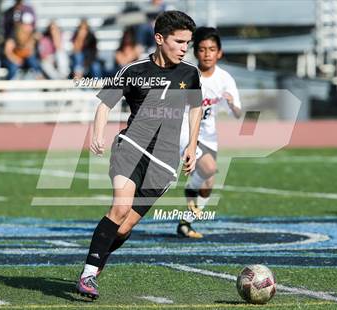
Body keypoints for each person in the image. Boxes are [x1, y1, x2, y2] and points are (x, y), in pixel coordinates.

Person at [76, 10, 202, 300]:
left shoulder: (190, 73)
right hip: (131, 147)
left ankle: (95, 268)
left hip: (165, 161)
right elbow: (105, 104)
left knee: (125, 226)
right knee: (120, 208)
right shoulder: (135, 71)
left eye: (188, 43)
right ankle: (88, 274)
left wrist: (192, 145)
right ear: (159, 39)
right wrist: (98, 134)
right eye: (179, 41)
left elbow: (196, 108)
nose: (185, 48)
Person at [177, 27, 242, 238]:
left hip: (209, 136)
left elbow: (238, 114)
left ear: (219, 53)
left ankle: (186, 223)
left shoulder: (225, 79)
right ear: (196, 52)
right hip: (186, 132)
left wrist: (232, 104)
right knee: (209, 168)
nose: (207, 54)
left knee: (208, 182)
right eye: (203, 49)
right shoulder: (187, 75)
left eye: (212, 49)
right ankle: (191, 190)